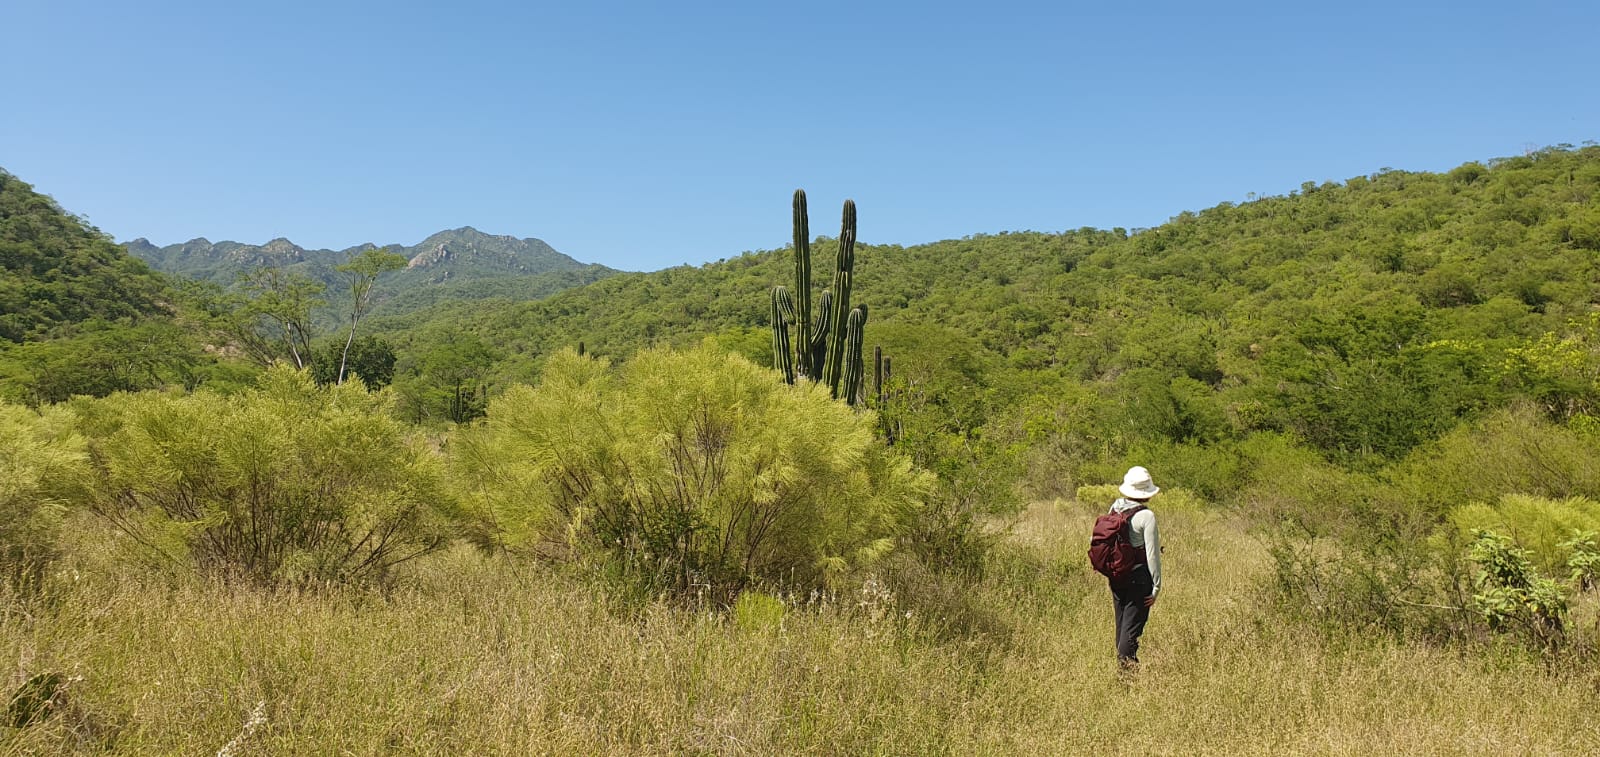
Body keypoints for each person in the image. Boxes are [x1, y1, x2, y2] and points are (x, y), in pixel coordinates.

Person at [1108, 465, 1161, 670]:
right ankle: (1128, 680)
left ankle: (1124, 675)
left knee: (1122, 630)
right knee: (1129, 637)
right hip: (1139, 579)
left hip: (1117, 576)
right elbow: (1152, 555)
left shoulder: (1115, 507)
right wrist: (1156, 587)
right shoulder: (1147, 516)